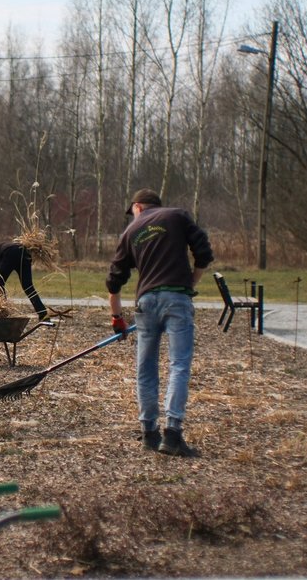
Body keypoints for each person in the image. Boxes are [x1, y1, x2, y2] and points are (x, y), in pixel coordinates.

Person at [106, 188, 214, 457]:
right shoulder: (177, 216)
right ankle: (173, 434)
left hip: (146, 303)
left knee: (146, 368)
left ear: (138, 207)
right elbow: (204, 252)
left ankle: (149, 433)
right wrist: (191, 282)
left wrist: (117, 318)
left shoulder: (130, 232)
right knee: (178, 364)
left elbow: (114, 280)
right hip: (177, 299)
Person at [0, 241, 48, 321]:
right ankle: (43, 314)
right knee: (28, 287)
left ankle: (2, 312)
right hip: (23, 252)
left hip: (9, 252)